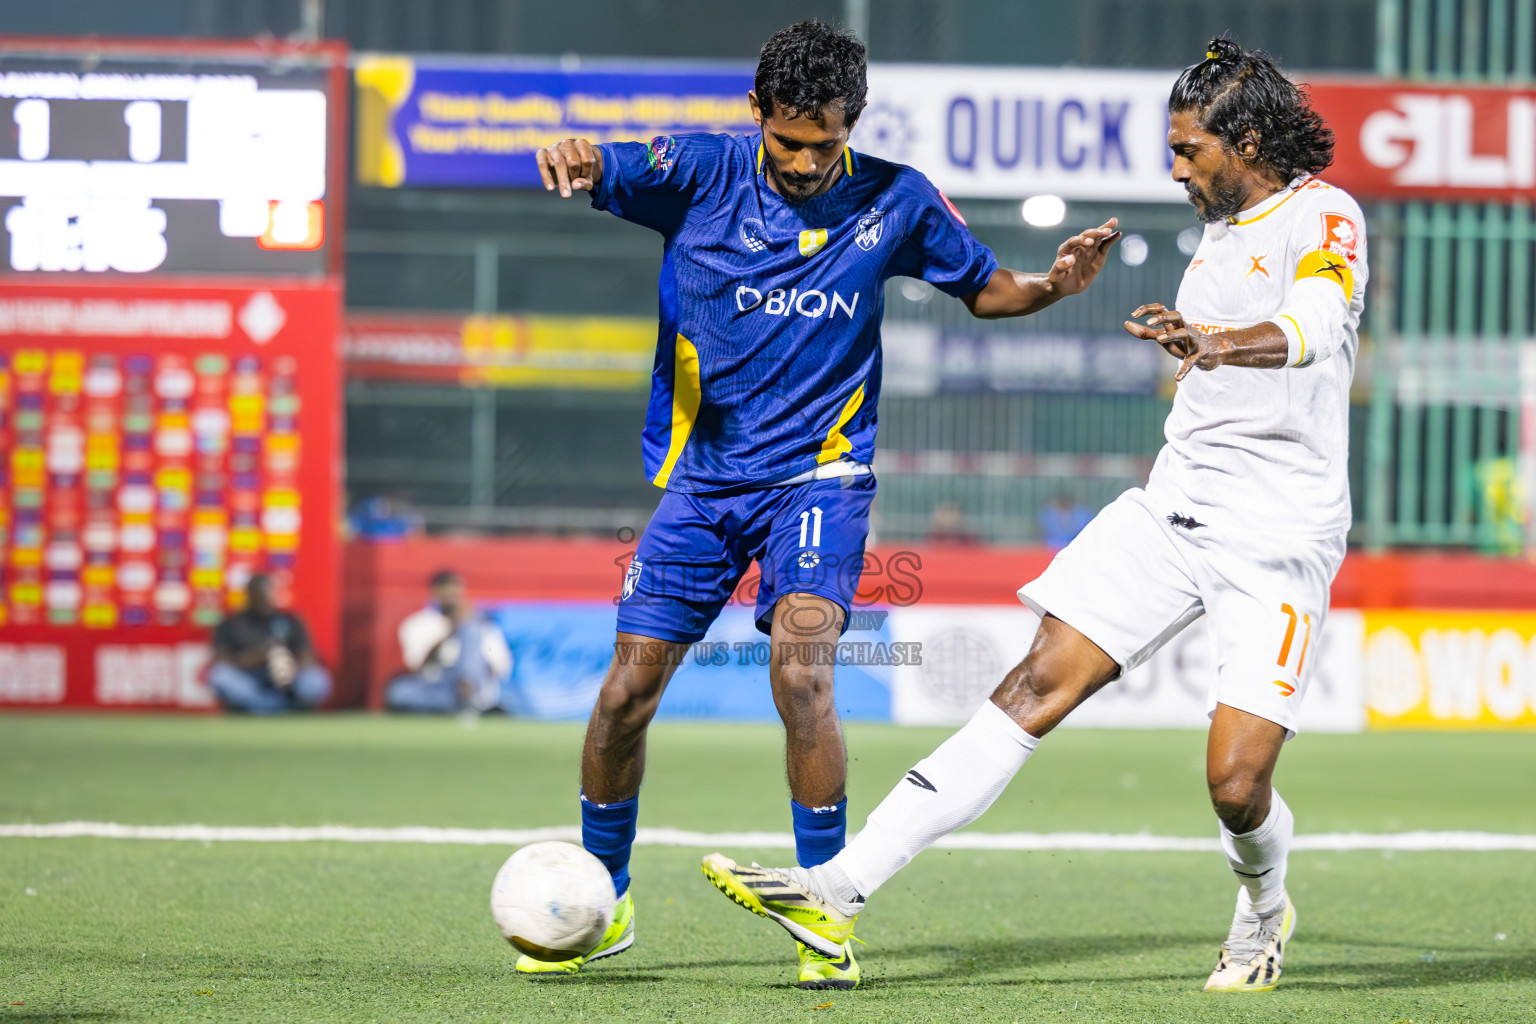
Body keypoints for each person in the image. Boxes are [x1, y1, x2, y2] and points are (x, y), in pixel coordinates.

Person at [702, 35, 1363, 996]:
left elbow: (1314, 326)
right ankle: (839, 888)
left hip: (1280, 536)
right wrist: (1198, 353)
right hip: (1173, 505)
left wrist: (1215, 343)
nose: (1175, 167)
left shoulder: (1325, 215)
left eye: (1190, 151)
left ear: (1248, 138)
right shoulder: (1218, 227)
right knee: (1030, 687)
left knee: (1235, 783)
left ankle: (1265, 910)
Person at [531, 20, 1120, 987]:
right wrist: (577, 155)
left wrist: (1054, 285)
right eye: (788, 139)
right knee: (625, 694)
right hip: (701, 483)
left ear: (854, 123)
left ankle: (824, 912)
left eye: (826, 141)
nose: (806, 161)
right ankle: (604, 897)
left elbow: (987, 289)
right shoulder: (700, 171)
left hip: (822, 476)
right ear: (756, 113)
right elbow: (606, 162)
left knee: (803, 672)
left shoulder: (896, 198)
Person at [385, 569, 512, 713]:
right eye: (447, 592)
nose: (452, 597)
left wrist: (466, 629)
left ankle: (468, 698)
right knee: (398, 692)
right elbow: (417, 666)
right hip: (438, 685)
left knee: (470, 631)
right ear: (435, 593)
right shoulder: (419, 623)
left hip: (474, 685)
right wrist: (452, 631)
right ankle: (464, 707)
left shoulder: (481, 625)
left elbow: (499, 668)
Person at [208, 574, 331, 712]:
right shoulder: (232, 623)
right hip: (250, 683)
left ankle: (288, 705)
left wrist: (288, 666)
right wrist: (257, 656)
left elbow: (307, 655)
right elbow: (223, 660)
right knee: (221, 677)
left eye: (268, 591)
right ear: (249, 595)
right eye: (259, 592)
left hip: (288, 685)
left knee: (316, 679)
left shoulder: (290, 620)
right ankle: (264, 708)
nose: (265, 597)